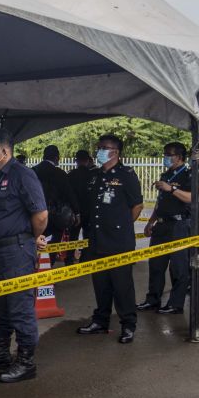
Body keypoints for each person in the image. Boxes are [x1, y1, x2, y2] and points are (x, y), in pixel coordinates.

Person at [0, 128, 48, 382]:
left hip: (15, 250)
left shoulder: (22, 175)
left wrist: (32, 236)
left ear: (5, 151)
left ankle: (25, 362)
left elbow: (41, 214)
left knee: (19, 306)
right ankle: (2, 352)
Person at [76, 135, 143, 343]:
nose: (100, 151)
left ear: (116, 152)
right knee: (101, 284)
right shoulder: (96, 175)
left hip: (118, 241)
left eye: (105, 148)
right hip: (97, 239)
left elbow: (137, 206)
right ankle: (100, 321)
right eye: (99, 147)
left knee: (122, 286)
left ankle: (128, 324)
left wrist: (121, 226)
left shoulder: (126, 175)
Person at [137, 142, 192, 315]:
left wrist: (172, 189)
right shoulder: (166, 174)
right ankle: (153, 299)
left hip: (179, 225)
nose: (166, 157)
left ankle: (175, 304)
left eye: (169, 154)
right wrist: (151, 222)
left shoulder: (189, 175)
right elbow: (160, 202)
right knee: (156, 265)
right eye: (165, 154)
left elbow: (191, 198)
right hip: (161, 224)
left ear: (180, 157)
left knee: (178, 267)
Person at [33, 145, 78, 262]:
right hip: (55, 217)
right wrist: (77, 212)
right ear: (57, 158)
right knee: (52, 245)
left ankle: (35, 268)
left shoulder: (32, 171)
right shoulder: (60, 174)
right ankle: (49, 267)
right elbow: (70, 194)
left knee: (35, 243)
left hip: (35, 215)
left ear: (44, 156)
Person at [66, 150, 96, 242]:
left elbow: (68, 194)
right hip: (90, 212)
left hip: (75, 212)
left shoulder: (71, 175)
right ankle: (86, 255)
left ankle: (71, 255)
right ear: (88, 160)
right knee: (88, 236)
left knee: (73, 237)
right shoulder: (94, 175)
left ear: (76, 161)